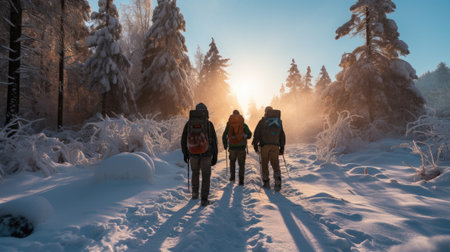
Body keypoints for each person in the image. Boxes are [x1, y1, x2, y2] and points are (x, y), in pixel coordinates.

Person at [181, 103, 218, 206]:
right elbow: (214, 141)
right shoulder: (208, 124)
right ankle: (204, 199)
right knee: (206, 175)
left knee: (195, 173)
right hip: (206, 154)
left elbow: (183, 139)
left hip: (192, 154)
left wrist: (185, 153)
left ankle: (195, 193)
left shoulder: (189, 124)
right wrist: (215, 155)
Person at [252, 106, 286, 192]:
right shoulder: (278, 122)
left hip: (264, 146)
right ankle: (277, 181)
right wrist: (282, 148)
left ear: (266, 112)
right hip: (275, 146)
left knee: (264, 163)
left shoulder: (263, 121)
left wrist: (255, 145)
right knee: (275, 163)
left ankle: (266, 181)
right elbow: (282, 135)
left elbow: (256, 134)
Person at [222, 110, 252, 185]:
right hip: (241, 147)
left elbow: (224, 135)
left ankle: (232, 177)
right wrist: (245, 136)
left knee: (232, 162)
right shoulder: (243, 124)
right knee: (241, 164)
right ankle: (241, 180)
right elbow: (250, 134)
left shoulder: (229, 124)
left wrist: (225, 145)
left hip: (232, 147)